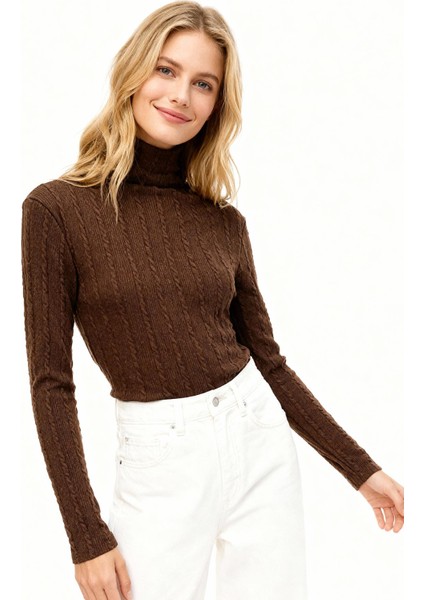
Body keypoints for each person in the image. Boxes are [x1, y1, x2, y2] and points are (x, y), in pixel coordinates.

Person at [20, 2, 404, 599]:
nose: (181, 95)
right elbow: (51, 384)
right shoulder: (56, 211)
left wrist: (360, 469)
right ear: (133, 71)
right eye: (166, 70)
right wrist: (85, 535)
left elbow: (270, 363)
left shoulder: (223, 222)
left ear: (218, 104)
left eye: (204, 84)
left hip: (258, 443)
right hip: (157, 463)